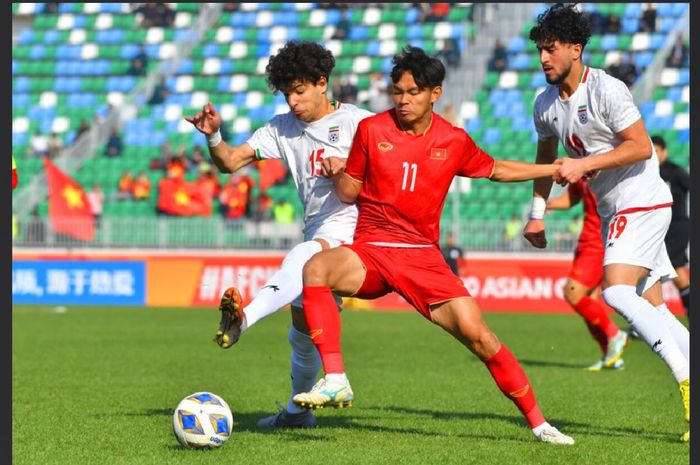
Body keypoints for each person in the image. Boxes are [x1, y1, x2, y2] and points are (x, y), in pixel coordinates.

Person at [293, 45, 574, 445]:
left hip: (422, 256)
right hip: (371, 249)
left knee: (482, 338)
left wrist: (552, 168)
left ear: (435, 94)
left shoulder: (454, 140)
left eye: (413, 92)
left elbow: (497, 169)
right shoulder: (371, 130)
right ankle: (336, 377)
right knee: (315, 268)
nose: (403, 100)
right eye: (398, 92)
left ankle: (540, 424)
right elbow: (350, 193)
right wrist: (340, 172)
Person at [184, 40, 373, 429]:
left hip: (359, 229)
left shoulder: (360, 123)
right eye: (287, 92)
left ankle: (243, 322)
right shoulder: (282, 128)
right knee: (302, 335)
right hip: (320, 226)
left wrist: (349, 167)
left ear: (323, 83)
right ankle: (298, 414)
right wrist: (214, 137)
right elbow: (230, 163)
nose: (293, 101)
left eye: (300, 91)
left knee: (306, 255)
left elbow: (392, 169)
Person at [521, 4, 689, 442]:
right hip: (617, 209)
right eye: (540, 50)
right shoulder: (544, 104)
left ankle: (685, 379)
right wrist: (537, 215)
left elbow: (639, 146)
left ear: (576, 49)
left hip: (643, 200)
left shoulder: (607, 89)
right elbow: (545, 160)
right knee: (652, 309)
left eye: (551, 49)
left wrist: (585, 164)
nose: (543, 59)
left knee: (613, 289)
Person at [546, 180, 626, 371]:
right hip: (586, 242)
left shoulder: (603, 168)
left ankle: (615, 334)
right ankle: (611, 355)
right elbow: (573, 197)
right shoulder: (580, 170)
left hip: (598, 242)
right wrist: (550, 204)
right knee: (590, 300)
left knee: (572, 292)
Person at [652, 135, 690, 317]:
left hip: (677, 227)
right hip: (660, 228)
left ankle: (652, 318)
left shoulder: (676, 172)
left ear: (664, 151)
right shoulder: (648, 173)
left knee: (653, 269)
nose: (654, 154)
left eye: (657, 151)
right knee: (680, 275)